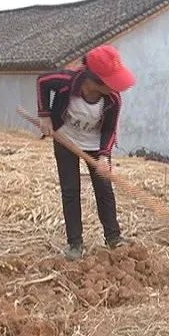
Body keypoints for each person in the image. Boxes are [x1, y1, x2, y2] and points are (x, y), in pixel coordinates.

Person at [36, 45, 136, 261]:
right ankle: (75, 243)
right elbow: (42, 82)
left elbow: (110, 129)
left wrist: (103, 155)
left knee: (104, 188)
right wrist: (44, 115)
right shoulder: (66, 81)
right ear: (93, 80)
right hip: (65, 139)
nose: (116, 87)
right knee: (70, 190)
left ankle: (113, 237)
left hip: (95, 144)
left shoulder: (113, 99)